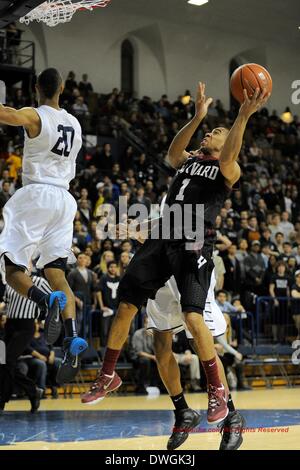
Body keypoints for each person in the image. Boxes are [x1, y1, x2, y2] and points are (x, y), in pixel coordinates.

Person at [81, 82, 269, 426]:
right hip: (163, 237)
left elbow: (229, 155)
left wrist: (243, 115)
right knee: (126, 304)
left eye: (215, 131)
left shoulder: (228, 169)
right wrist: (197, 117)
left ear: (227, 141)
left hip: (195, 240)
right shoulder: (189, 162)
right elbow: (172, 152)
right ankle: (108, 373)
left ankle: (218, 392)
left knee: (194, 317)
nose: (208, 134)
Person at [0, 68, 87, 383]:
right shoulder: (75, 124)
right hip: (65, 201)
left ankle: (44, 299)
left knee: (12, 271)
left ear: (36, 87)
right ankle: (71, 336)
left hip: (36, 194)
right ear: (62, 88)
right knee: (56, 273)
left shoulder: (35, 115)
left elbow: (5, 114)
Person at [146, 270, 245, 450]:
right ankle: (183, 412)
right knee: (160, 347)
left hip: (190, 267)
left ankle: (232, 417)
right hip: (160, 269)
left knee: (199, 342)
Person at [0, 271, 52, 413]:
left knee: (8, 361)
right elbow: (6, 302)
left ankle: (3, 401)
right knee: (3, 363)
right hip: (9, 325)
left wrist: (43, 319)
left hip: (26, 326)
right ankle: (33, 391)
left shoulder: (39, 281)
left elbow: (52, 299)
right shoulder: (9, 280)